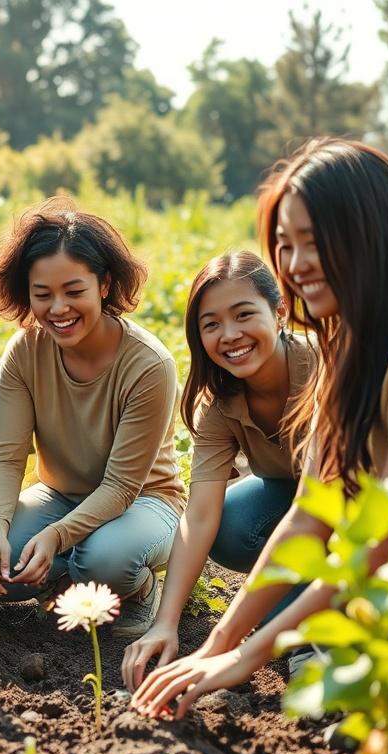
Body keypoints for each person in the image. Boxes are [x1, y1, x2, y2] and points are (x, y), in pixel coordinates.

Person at [131, 137, 388, 719]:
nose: (294, 265)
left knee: (376, 585)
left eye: (314, 243)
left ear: (374, 231)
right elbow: (309, 514)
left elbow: (386, 536)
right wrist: (219, 645)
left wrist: (250, 656)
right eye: (285, 246)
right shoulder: (346, 340)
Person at [0, 197, 186, 637]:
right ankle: (66, 577)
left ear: (105, 285)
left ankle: (139, 587)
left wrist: (56, 538)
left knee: (104, 562)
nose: (58, 309)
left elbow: (121, 486)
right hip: (60, 495)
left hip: (144, 501)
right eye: (43, 295)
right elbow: (8, 456)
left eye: (74, 292)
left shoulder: (149, 365)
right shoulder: (25, 351)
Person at [120, 250, 316, 691]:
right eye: (211, 324)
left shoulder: (320, 372)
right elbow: (200, 516)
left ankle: (307, 637)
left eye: (244, 315)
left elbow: (321, 510)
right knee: (229, 526)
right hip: (291, 496)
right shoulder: (221, 401)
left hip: (355, 500)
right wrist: (165, 623)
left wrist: (224, 640)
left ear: (280, 312)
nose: (230, 335)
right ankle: (293, 615)